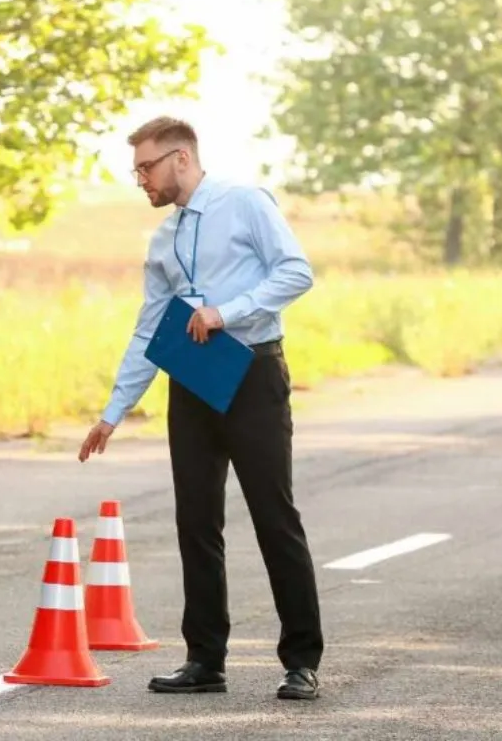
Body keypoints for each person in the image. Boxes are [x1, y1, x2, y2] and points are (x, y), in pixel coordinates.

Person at [78, 116, 324, 700]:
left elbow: (297, 272)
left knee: (273, 515)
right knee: (196, 522)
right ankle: (205, 659)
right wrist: (115, 410)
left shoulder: (244, 204)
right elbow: (149, 328)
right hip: (190, 377)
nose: (140, 179)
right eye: (136, 169)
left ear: (181, 158)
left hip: (252, 370)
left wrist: (226, 311)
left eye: (146, 166)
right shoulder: (163, 240)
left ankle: (301, 660)